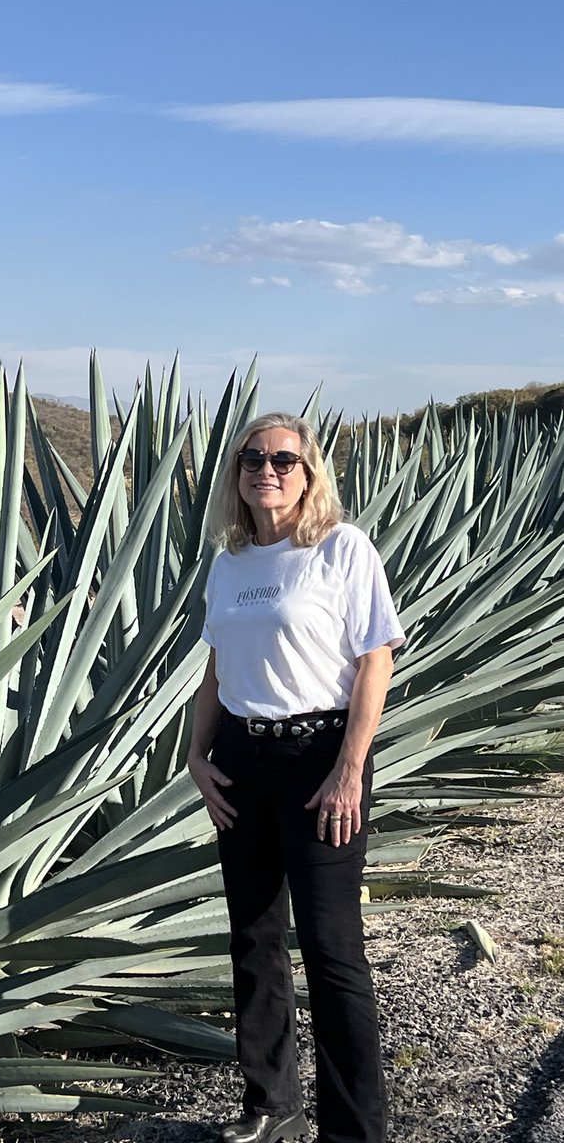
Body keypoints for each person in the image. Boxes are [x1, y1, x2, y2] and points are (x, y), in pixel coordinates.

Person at [188, 412, 405, 1143]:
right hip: (242, 762)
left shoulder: (341, 550)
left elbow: (377, 658)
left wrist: (351, 767)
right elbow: (217, 670)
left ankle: (355, 1129)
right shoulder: (229, 563)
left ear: (310, 472)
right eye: (252, 458)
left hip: (321, 758)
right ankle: (272, 1105)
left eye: (284, 458)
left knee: (331, 946)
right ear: (237, 475)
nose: (266, 469)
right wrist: (196, 756)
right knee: (253, 937)